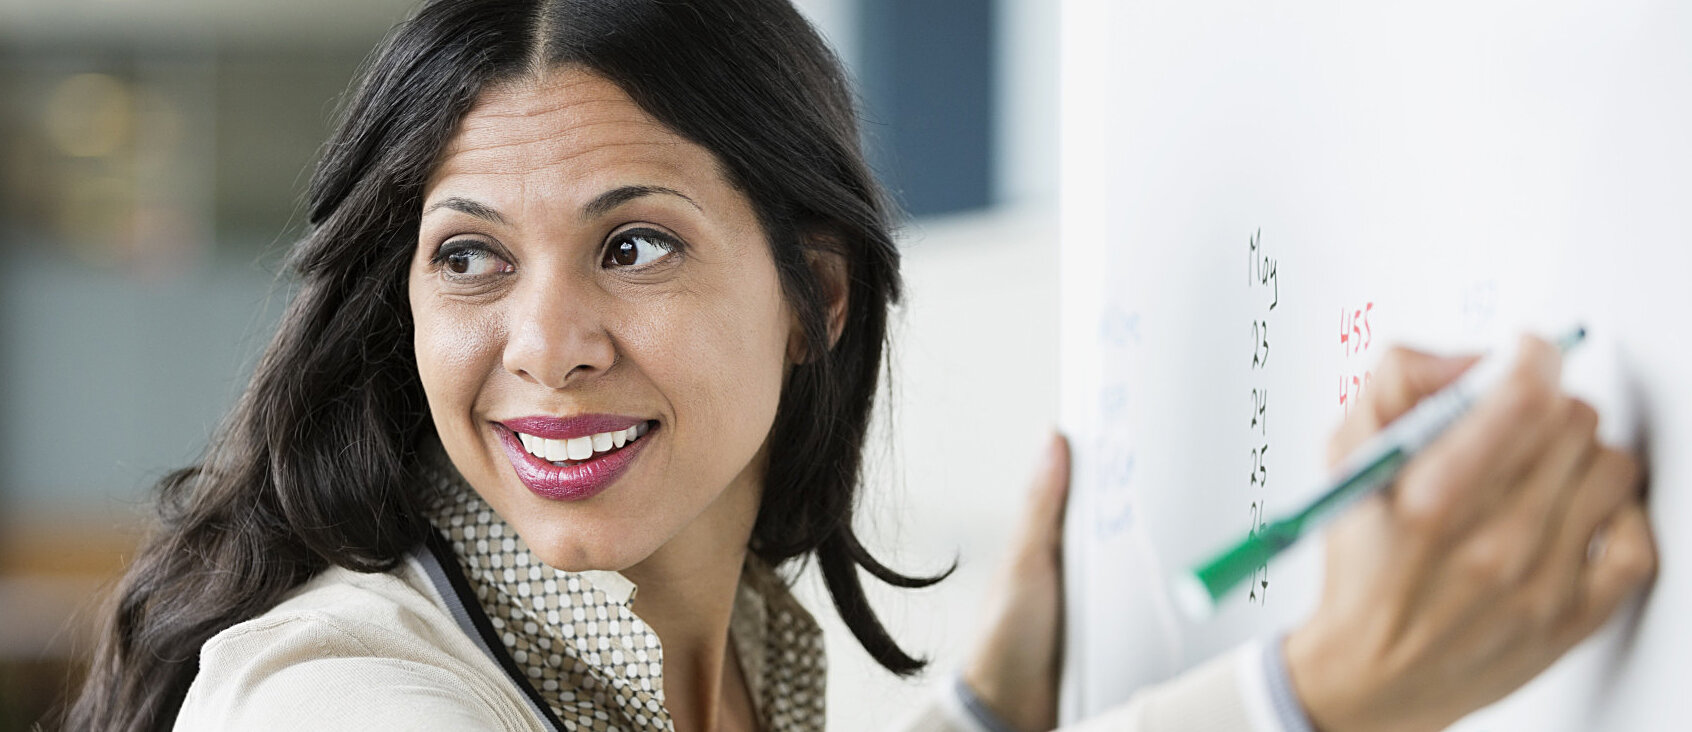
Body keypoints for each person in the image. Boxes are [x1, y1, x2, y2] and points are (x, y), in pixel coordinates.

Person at [64, 0, 1656, 730]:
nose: (542, 346)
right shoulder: (336, 698)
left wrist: (981, 713)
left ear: (814, 289)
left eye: (633, 243)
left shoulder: (733, 661)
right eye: (469, 255)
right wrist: (1298, 701)